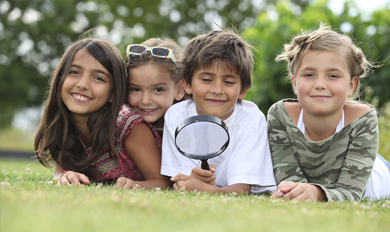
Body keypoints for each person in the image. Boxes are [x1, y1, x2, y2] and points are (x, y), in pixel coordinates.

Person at [268, 23, 390, 202]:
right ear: (294, 82)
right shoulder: (280, 116)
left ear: (351, 85)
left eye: (333, 76)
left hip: (371, 174)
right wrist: (300, 191)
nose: (320, 84)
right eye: (309, 75)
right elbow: (290, 181)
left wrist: (316, 194)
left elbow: (351, 193)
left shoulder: (363, 118)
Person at [34, 37, 171, 190]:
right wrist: (67, 176)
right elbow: (59, 173)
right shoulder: (63, 123)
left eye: (98, 78)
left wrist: (135, 185)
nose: (82, 84)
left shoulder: (127, 125)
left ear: (114, 92)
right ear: (59, 78)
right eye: (74, 72)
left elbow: (163, 182)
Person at [161, 29, 276, 194]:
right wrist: (196, 179)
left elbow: (242, 190)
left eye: (229, 82)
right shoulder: (176, 116)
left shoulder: (251, 120)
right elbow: (182, 181)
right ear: (187, 84)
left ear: (243, 90)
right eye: (207, 79)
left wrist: (204, 189)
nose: (217, 90)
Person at [126, 38, 185, 138]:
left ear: (179, 90)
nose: (145, 101)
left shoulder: (189, 127)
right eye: (136, 89)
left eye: (158, 90)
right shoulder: (121, 127)